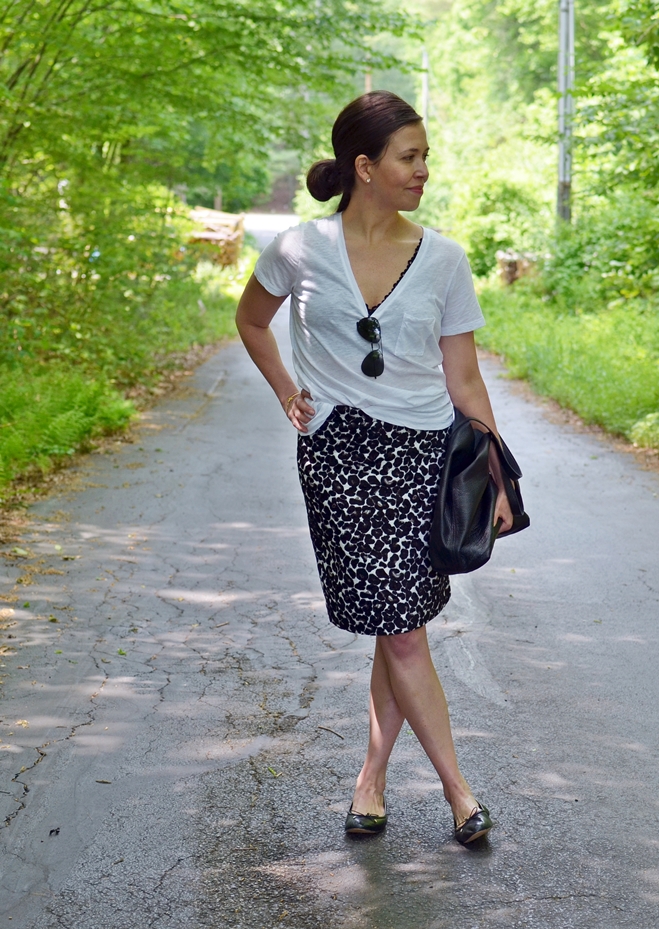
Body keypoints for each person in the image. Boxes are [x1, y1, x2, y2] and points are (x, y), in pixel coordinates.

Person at [236, 91, 512, 845]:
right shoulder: (297, 249)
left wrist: (495, 471)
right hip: (337, 457)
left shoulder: (446, 260)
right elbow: (251, 320)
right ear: (364, 167)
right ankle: (456, 792)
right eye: (409, 157)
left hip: (424, 454)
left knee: (401, 626)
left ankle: (374, 780)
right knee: (403, 629)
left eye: (425, 157)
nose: (424, 170)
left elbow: (465, 380)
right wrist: (288, 391)